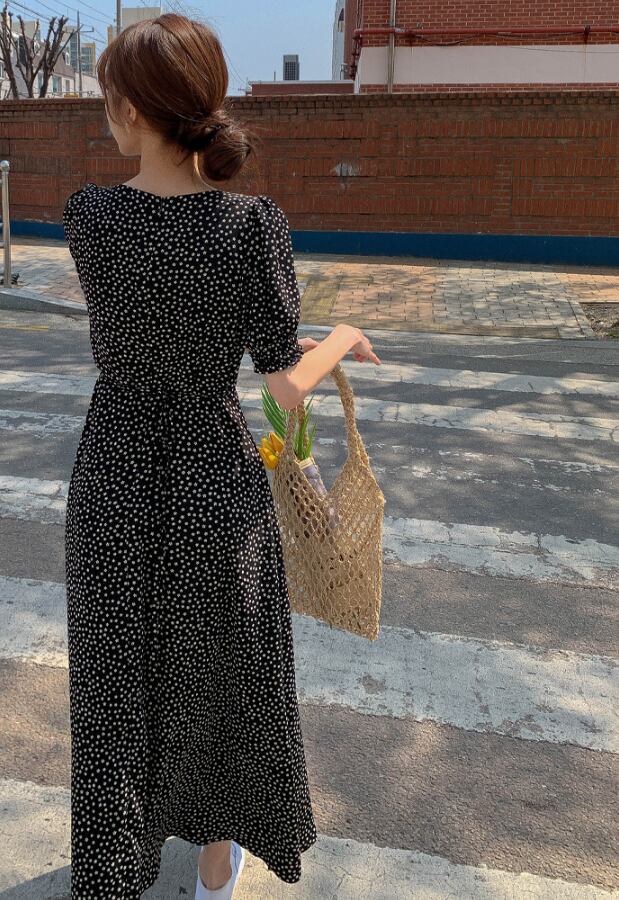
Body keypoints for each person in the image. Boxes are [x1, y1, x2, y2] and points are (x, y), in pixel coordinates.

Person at [62, 12, 381, 900]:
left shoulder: (89, 216)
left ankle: (115, 865)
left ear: (129, 109)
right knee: (223, 665)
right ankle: (214, 865)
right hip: (210, 469)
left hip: (115, 467)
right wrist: (341, 335)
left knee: (118, 676)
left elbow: (148, 314)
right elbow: (283, 386)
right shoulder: (250, 226)